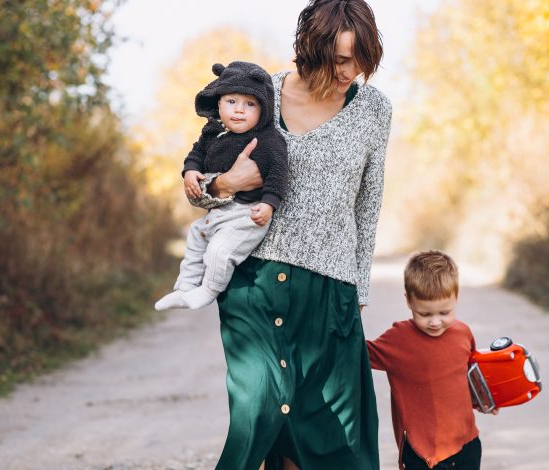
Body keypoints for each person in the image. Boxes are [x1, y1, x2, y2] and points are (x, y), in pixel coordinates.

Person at [192, 1, 391, 468]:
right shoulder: (262, 95)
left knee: (331, 435)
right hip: (253, 285)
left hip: (329, 289)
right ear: (312, 48)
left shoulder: (375, 109)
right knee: (259, 417)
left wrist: (358, 288)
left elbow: (368, 204)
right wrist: (226, 185)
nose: (351, 70)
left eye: (360, 58)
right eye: (341, 59)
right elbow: (200, 184)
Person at [154, 61, 288, 311]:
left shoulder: (268, 140)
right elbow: (197, 153)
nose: (239, 110)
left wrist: (269, 204)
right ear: (218, 103)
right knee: (196, 234)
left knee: (219, 250)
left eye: (250, 104)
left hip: (247, 215)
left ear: (264, 110)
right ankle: (185, 287)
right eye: (231, 102)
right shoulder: (213, 133)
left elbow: (279, 173)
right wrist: (191, 171)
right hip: (220, 211)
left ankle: (208, 290)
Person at [366, 250, 494, 470]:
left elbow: (466, 377)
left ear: (456, 297)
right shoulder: (398, 339)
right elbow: (359, 354)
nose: (435, 322)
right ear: (409, 301)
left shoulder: (463, 333)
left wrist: (483, 400)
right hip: (421, 452)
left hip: (467, 444)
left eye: (445, 312)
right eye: (425, 314)